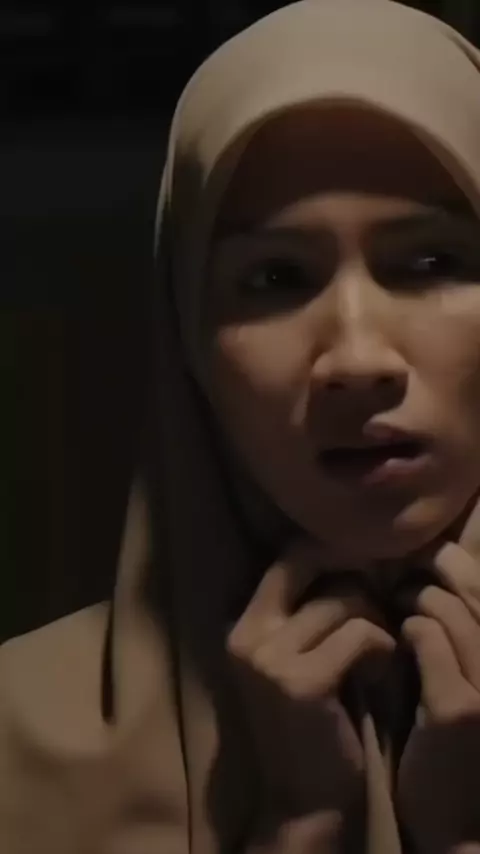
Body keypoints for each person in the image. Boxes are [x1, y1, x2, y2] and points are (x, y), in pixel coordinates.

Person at [3, 1, 480, 852]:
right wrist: (301, 822)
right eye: (275, 278)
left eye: (432, 261)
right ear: (189, 337)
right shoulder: (18, 739)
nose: (356, 357)